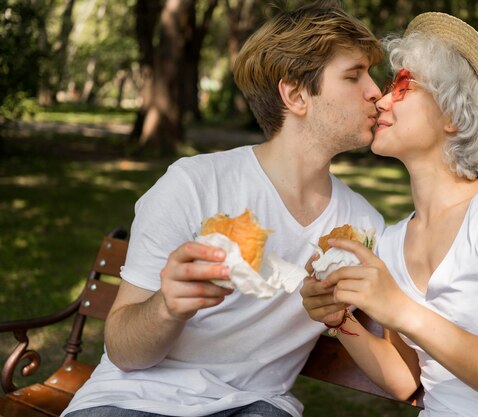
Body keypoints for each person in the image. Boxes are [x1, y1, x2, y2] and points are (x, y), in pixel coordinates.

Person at [62, 2, 385, 417]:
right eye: (354, 75)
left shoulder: (362, 226)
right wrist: (166, 307)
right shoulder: (194, 185)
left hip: (256, 405)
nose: (376, 90)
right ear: (296, 94)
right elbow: (124, 352)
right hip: (134, 397)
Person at [301, 12, 478, 417]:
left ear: (453, 113)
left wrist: (400, 309)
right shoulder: (395, 240)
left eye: (402, 87)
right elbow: (405, 380)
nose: (380, 100)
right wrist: (338, 318)